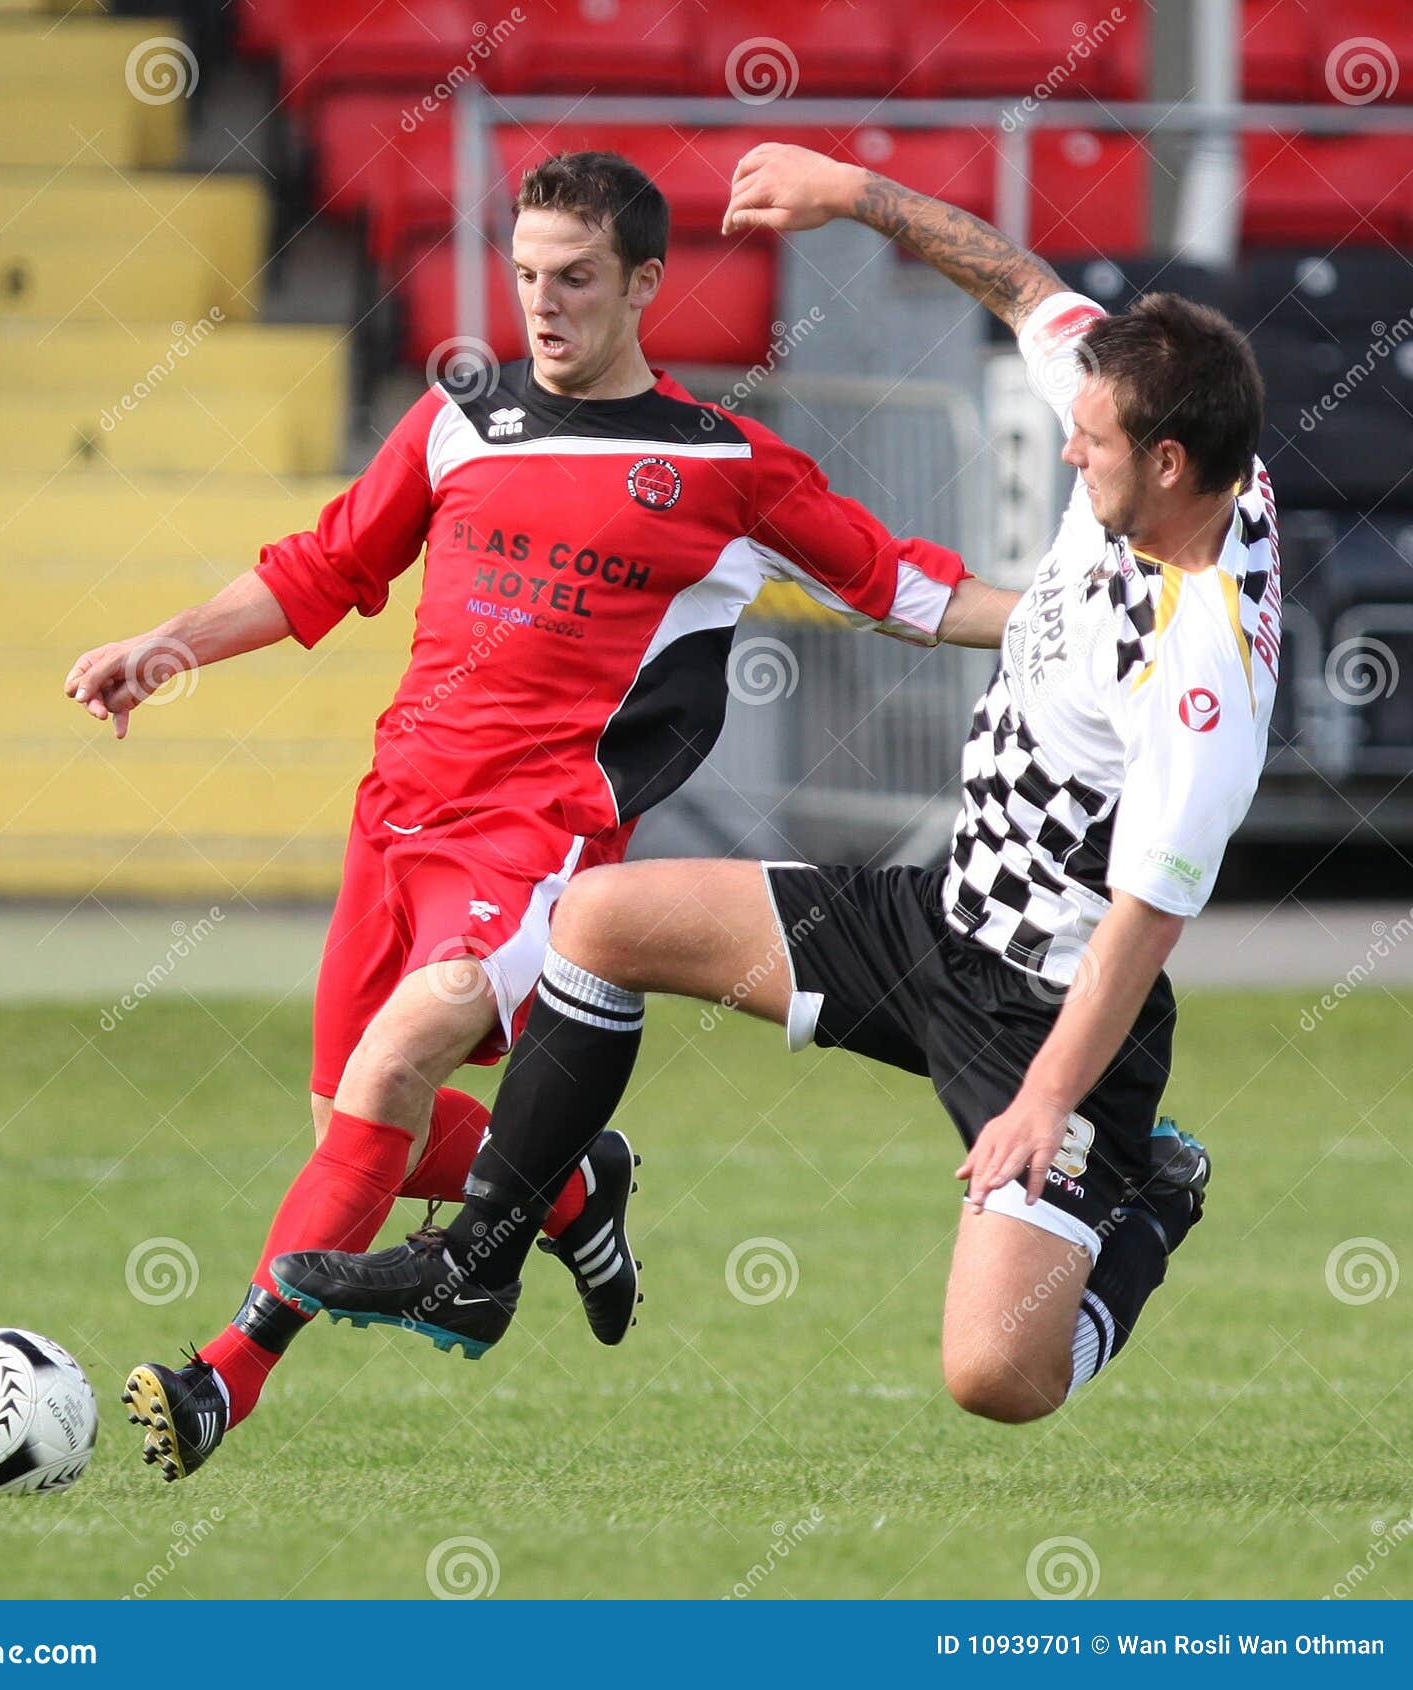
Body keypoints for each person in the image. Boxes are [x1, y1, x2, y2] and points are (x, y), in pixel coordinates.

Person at [272, 142, 1279, 1424]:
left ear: (1174, 464)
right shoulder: (1159, 415)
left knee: (995, 1377)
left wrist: (1042, 1101)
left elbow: (1146, 919)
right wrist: (851, 193)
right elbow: (1023, 285)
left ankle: (1154, 1198)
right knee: (598, 923)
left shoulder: (1206, 674)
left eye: (1090, 448)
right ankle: (479, 1263)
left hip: (1052, 1004)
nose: (1069, 457)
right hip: (934, 920)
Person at [64, 148, 1014, 1479]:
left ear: (643, 283)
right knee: (353, 1124)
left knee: (397, 1063)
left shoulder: (721, 463)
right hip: (395, 816)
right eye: (524, 277)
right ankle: (575, 1184)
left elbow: (912, 589)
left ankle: (224, 1377)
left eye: (574, 279)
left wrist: (1085, 630)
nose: (543, 306)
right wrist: (165, 644)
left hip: (537, 835)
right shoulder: (462, 415)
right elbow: (326, 563)